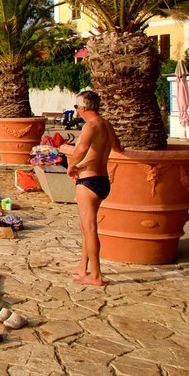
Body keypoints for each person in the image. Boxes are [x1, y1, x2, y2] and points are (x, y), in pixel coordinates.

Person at [66, 90, 121, 287]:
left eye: (77, 108)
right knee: (85, 227)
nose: (77, 111)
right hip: (103, 180)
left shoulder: (91, 126)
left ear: (83, 108)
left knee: (89, 228)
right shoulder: (106, 125)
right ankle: (83, 267)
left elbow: (81, 149)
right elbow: (117, 147)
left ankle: (96, 275)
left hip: (88, 181)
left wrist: (72, 167)